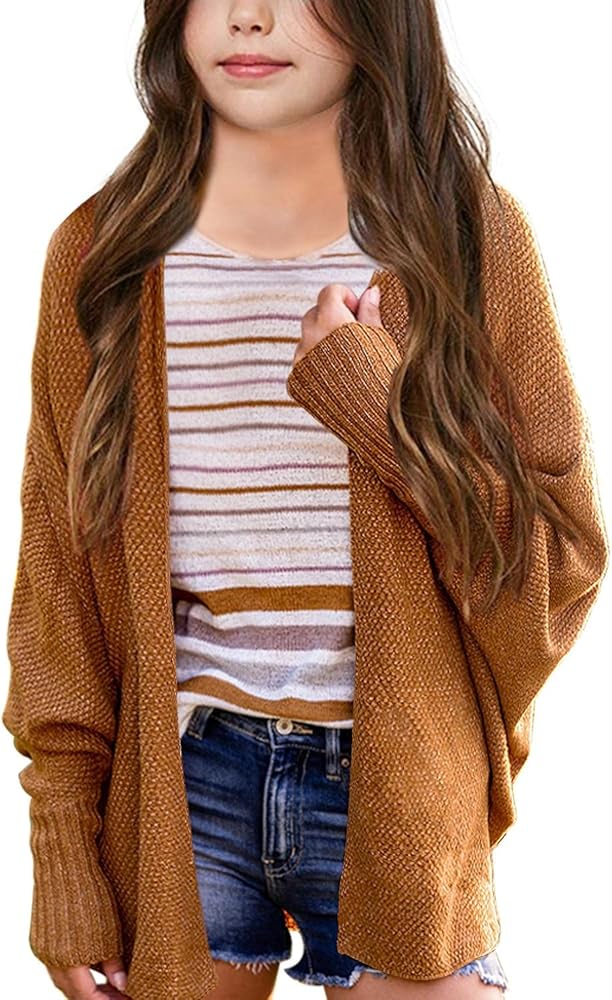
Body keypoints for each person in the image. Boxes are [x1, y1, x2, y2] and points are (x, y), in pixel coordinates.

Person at [3, 2, 608, 999]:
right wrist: (62, 849)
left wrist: (377, 405)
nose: (248, 16)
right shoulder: (101, 255)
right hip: (179, 789)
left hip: (399, 789)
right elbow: (58, 581)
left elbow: (556, 573)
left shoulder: (467, 240)